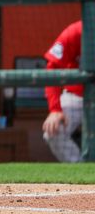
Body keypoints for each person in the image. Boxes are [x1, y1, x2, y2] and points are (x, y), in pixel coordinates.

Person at [42, 20, 85, 163]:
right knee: (53, 132)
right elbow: (52, 68)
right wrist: (55, 109)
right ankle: (81, 170)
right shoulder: (76, 31)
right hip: (76, 96)